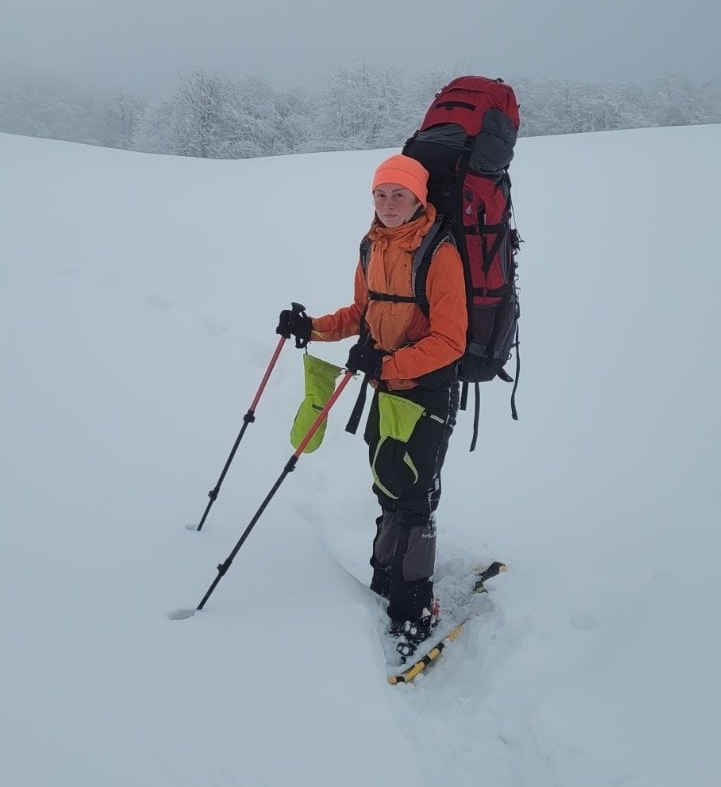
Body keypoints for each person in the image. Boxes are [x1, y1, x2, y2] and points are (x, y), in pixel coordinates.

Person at [277, 154, 467, 652]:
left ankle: (415, 607)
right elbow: (363, 312)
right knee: (387, 486)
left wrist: (388, 366)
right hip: (385, 388)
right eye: (380, 194)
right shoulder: (371, 244)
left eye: (398, 195)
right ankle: (386, 584)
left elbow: (451, 341)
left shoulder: (439, 252)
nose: (387, 204)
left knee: (414, 496)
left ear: (419, 198)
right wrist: (312, 327)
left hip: (426, 391)